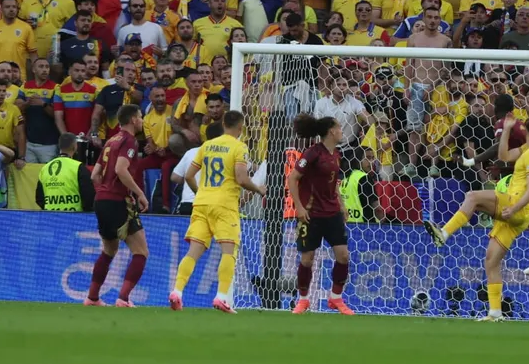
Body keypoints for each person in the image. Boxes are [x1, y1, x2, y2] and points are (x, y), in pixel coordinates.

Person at [425, 114, 529, 322]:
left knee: (472, 197)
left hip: (516, 205)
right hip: (516, 213)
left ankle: (444, 233)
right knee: (491, 261)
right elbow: (503, 156)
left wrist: (514, 208)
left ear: (525, 130)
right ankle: (495, 312)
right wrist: (507, 130)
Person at [169, 110, 266, 314]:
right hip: (224, 205)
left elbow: (188, 175)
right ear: (240, 127)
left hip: (201, 203)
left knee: (193, 252)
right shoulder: (239, 147)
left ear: (223, 124)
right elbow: (241, 179)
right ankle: (221, 297)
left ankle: (177, 291)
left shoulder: (207, 145)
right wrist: (259, 189)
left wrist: (201, 194)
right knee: (229, 252)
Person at [287, 113, 355, 316]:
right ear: (332, 131)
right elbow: (292, 178)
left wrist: (342, 205)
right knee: (307, 259)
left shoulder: (336, 154)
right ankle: (303, 300)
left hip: (332, 213)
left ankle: (335, 298)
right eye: (339, 127)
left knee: (343, 255)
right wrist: (299, 207)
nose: (342, 131)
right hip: (311, 214)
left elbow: (333, 183)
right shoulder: (312, 153)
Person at [85, 104, 150, 307]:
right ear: (133, 119)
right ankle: (123, 298)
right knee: (141, 252)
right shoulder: (129, 141)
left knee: (109, 250)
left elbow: (95, 175)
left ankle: (92, 298)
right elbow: (121, 169)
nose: (142, 120)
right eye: (140, 116)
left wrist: (105, 192)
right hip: (117, 201)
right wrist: (139, 193)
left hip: (101, 200)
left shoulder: (111, 140)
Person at [34, 132, 95, 211]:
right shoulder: (78, 167)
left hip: (51, 216)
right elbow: (89, 197)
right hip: (75, 216)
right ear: (75, 146)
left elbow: (39, 198)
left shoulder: (45, 168)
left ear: (59, 146)